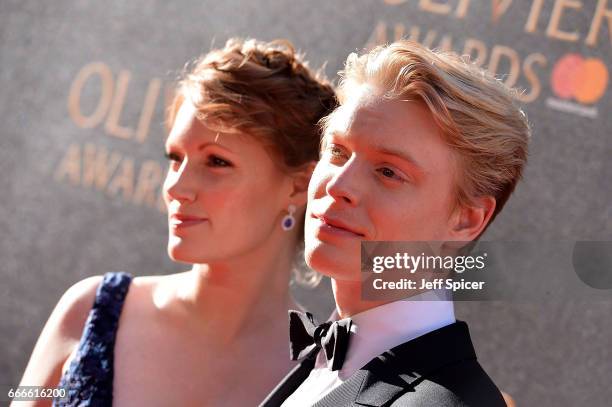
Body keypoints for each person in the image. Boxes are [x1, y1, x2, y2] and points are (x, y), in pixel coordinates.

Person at [16, 38, 336, 406]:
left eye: (216, 162)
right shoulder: (90, 311)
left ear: (299, 185)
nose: (176, 187)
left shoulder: (324, 372)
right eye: (175, 158)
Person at [261, 40, 530, 406]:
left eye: (388, 172)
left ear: (466, 219)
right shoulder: (316, 363)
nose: (338, 186)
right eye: (338, 152)